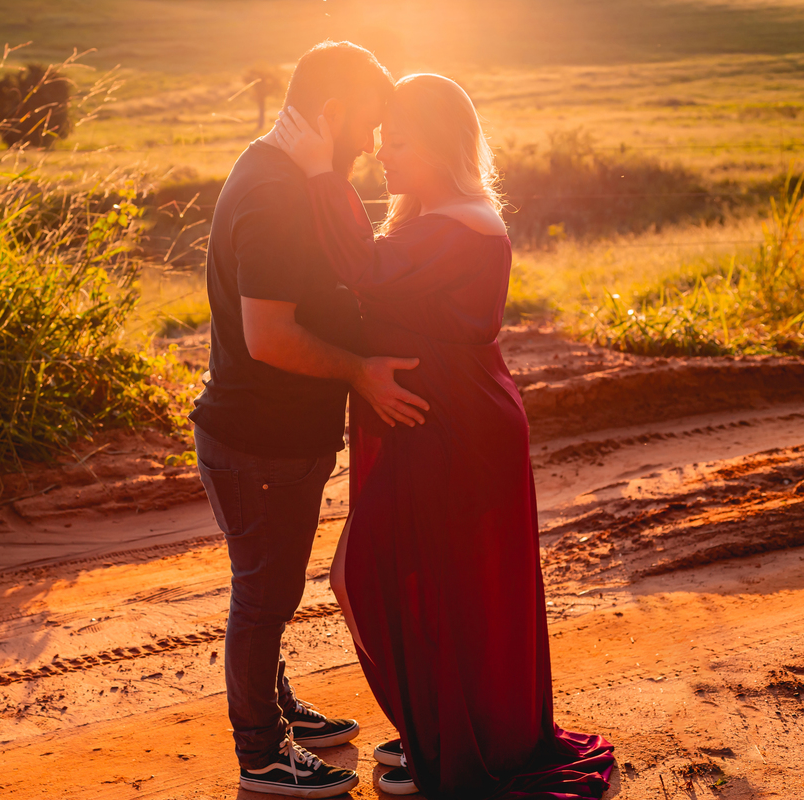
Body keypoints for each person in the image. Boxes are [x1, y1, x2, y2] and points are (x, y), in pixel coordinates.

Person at [272, 75, 616, 798]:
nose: (382, 155)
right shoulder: (431, 216)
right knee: (407, 581)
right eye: (383, 140)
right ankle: (437, 728)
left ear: (440, 146)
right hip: (431, 423)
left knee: (396, 581)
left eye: (399, 143)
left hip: (458, 429)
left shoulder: (462, 223)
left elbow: (361, 267)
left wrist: (316, 173)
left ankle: (457, 738)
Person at [190, 40, 431, 799]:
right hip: (258, 442)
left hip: (267, 439)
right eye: (363, 126)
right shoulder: (275, 193)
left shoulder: (286, 174)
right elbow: (270, 336)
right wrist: (360, 369)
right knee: (264, 599)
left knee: (268, 589)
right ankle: (260, 756)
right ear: (331, 113)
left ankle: (274, 705)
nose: (369, 143)